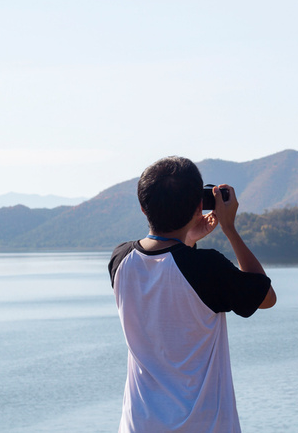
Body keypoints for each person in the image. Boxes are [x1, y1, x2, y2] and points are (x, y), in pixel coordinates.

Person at [108, 155, 276, 433]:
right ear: (200, 206)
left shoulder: (120, 259)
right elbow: (266, 297)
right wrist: (229, 229)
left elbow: (167, 270)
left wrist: (188, 238)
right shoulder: (207, 267)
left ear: (142, 207)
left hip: (139, 424)